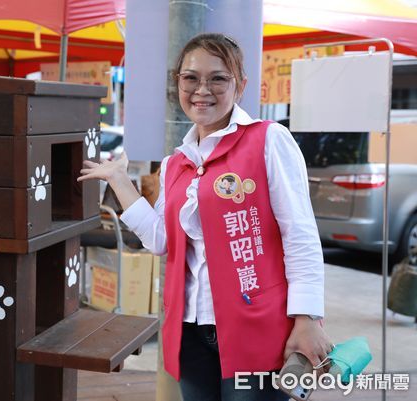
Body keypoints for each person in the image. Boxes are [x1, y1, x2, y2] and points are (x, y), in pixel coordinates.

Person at [78, 33, 332, 401]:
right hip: (189, 329)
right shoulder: (175, 163)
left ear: (240, 85)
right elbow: (160, 240)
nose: (202, 89)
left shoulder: (268, 140)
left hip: (258, 326)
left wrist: (307, 319)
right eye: (191, 78)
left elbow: (301, 234)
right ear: (177, 83)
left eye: (218, 78)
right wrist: (119, 181)